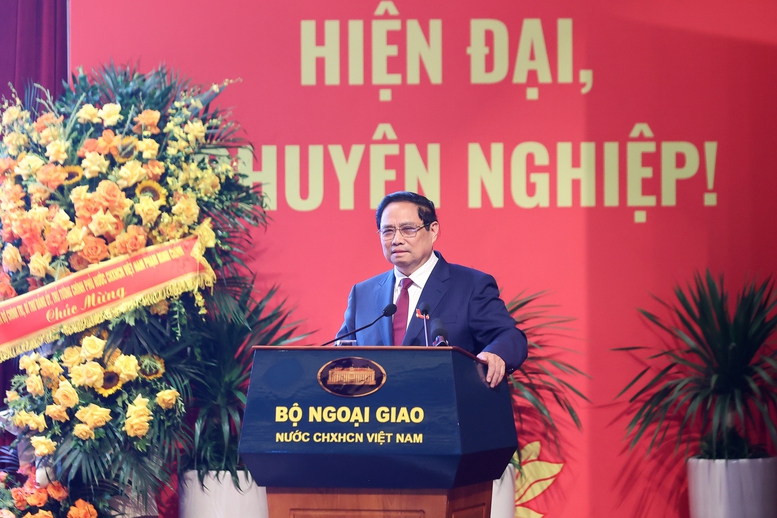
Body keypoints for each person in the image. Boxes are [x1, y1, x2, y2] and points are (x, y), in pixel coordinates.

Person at [337, 191, 528, 388]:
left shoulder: (471, 286)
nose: (396, 240)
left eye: (408, 229)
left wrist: (495, 354)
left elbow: (510, 336)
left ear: (433, 230)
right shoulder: (363, 294)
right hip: (378, 405)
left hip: (443, 401)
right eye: (387, 231)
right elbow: (340, 352)